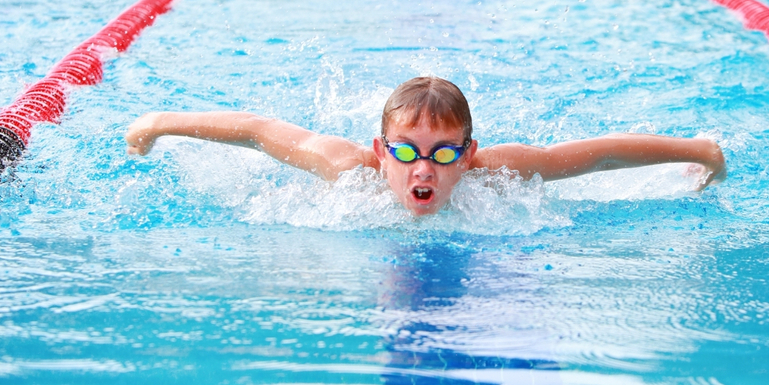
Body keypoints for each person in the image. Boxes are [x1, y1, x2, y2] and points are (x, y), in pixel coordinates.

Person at [124, 77, 726, 217]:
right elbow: (256, 130)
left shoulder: (499, 174)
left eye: (443, 152)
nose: (425, 167)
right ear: (381, 151)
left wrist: (699, 151)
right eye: (407, 150)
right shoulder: (344, 169)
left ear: (467, 153)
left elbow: (600, 154)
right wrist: (158, 122)